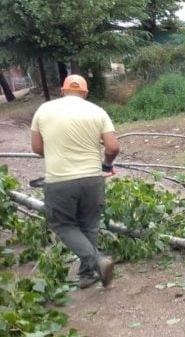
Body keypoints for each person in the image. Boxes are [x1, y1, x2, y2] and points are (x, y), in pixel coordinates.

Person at [31, 74, 119, 288]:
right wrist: (106, 165)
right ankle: (88, 275)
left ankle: (97, 260)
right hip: (92, 179)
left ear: (62, 91)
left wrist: (55, 151)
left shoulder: (44, 110)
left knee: (62, 224)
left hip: (59, 179)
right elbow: (113, 147)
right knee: (89, 225)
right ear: (85, 93)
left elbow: (37, 148)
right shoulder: (97, 112)